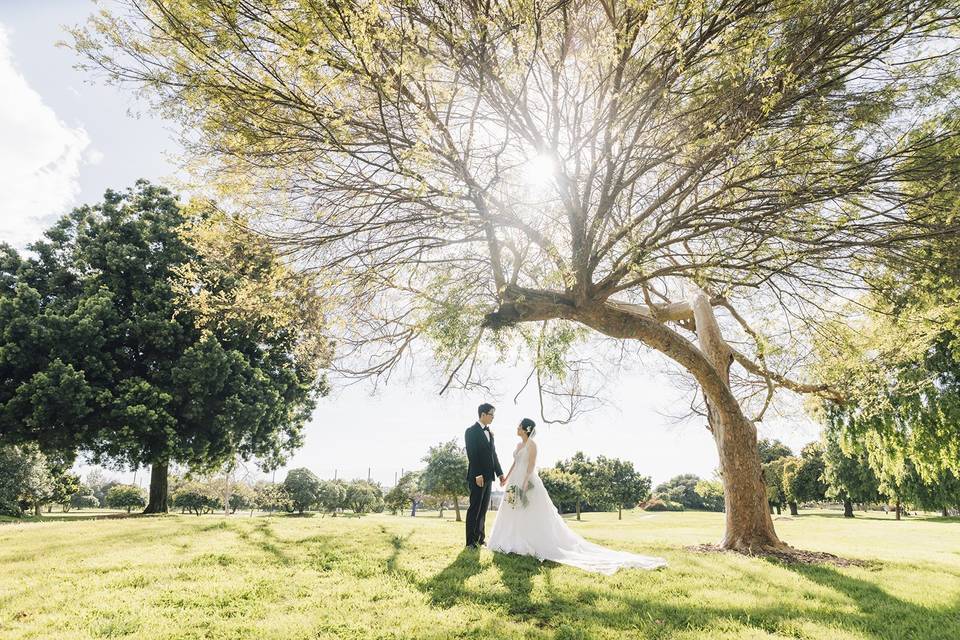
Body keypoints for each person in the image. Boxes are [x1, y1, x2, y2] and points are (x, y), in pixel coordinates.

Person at [487, 417, 667, 574]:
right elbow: (514, 463)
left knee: (528, 511)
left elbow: (531, 465)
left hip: (528, 481)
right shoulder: (519, 445)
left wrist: (525, 483)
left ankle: (528, 542)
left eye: (519, 426)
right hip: (514, 481)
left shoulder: (532, 445)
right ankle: (511, 540)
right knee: (512, 510)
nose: (516, 428)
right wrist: (506, 479)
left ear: (526, 429)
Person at [464, 402, 504, 548]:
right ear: (483, 415)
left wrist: (500, 473)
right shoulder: (470, 431)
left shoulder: (490, 433)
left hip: (489, 477)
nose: (493, 417)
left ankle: (480, 538)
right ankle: (470, 542)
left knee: (483, 509)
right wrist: (478, 474)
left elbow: (493, 455)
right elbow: (472, 454)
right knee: (474, 508)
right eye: (491, 414)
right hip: (477, 477)